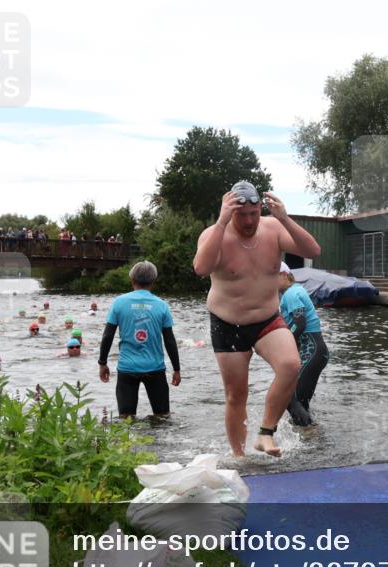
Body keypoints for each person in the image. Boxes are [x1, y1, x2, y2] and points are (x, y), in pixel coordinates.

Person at [193, 181, 320, 458]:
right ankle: (239, 457)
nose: (249, 221)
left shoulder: (273, 229)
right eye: (242, 215)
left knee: (290, 365)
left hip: (266, 319)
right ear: (230, 210)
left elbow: (313, 251)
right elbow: (201, 268)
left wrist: (284, 217)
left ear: (260, 209)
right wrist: (221, 222)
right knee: (236, 396)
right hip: (228, 323)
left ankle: (265, 434)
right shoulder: (215, 234)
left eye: (254, 213)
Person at [98, 261, 181, 418]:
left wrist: (102, 363)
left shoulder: (119, 303)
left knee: (126, 421)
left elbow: (107, 335)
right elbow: (169, 340)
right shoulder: (161, 305)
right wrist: (176, 369)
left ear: (132, 279)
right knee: (162, 418)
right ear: (153, 281)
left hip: (127, 369)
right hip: (155, 369)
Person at [278, 262, 329, 426]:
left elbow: (299, 323)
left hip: (312, 350)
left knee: (288, 398)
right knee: (301, 402)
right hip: (315, 352)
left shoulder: (291, 294)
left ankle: (308, 434)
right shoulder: (292, 292)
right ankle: (312, 439)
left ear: (284, 275)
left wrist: (285, 343)